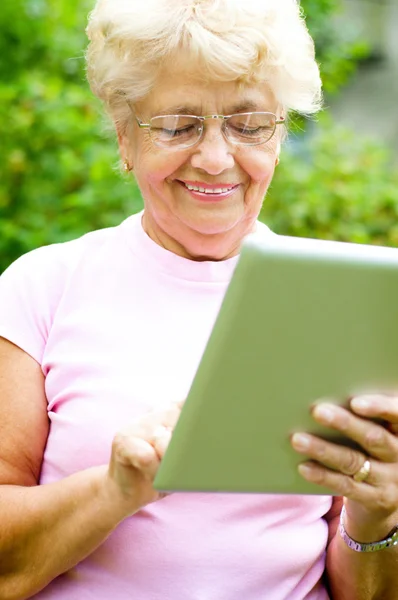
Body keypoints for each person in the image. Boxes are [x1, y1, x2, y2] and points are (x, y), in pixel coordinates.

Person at [0, 0, 398, 598]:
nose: (215, 158)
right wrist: (114, 490)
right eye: (178, 125)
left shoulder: (342, 300)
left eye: (249, 124)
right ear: (124, 130)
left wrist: (375, 513)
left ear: (280, 133)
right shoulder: (43, 288)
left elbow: (366, 591)